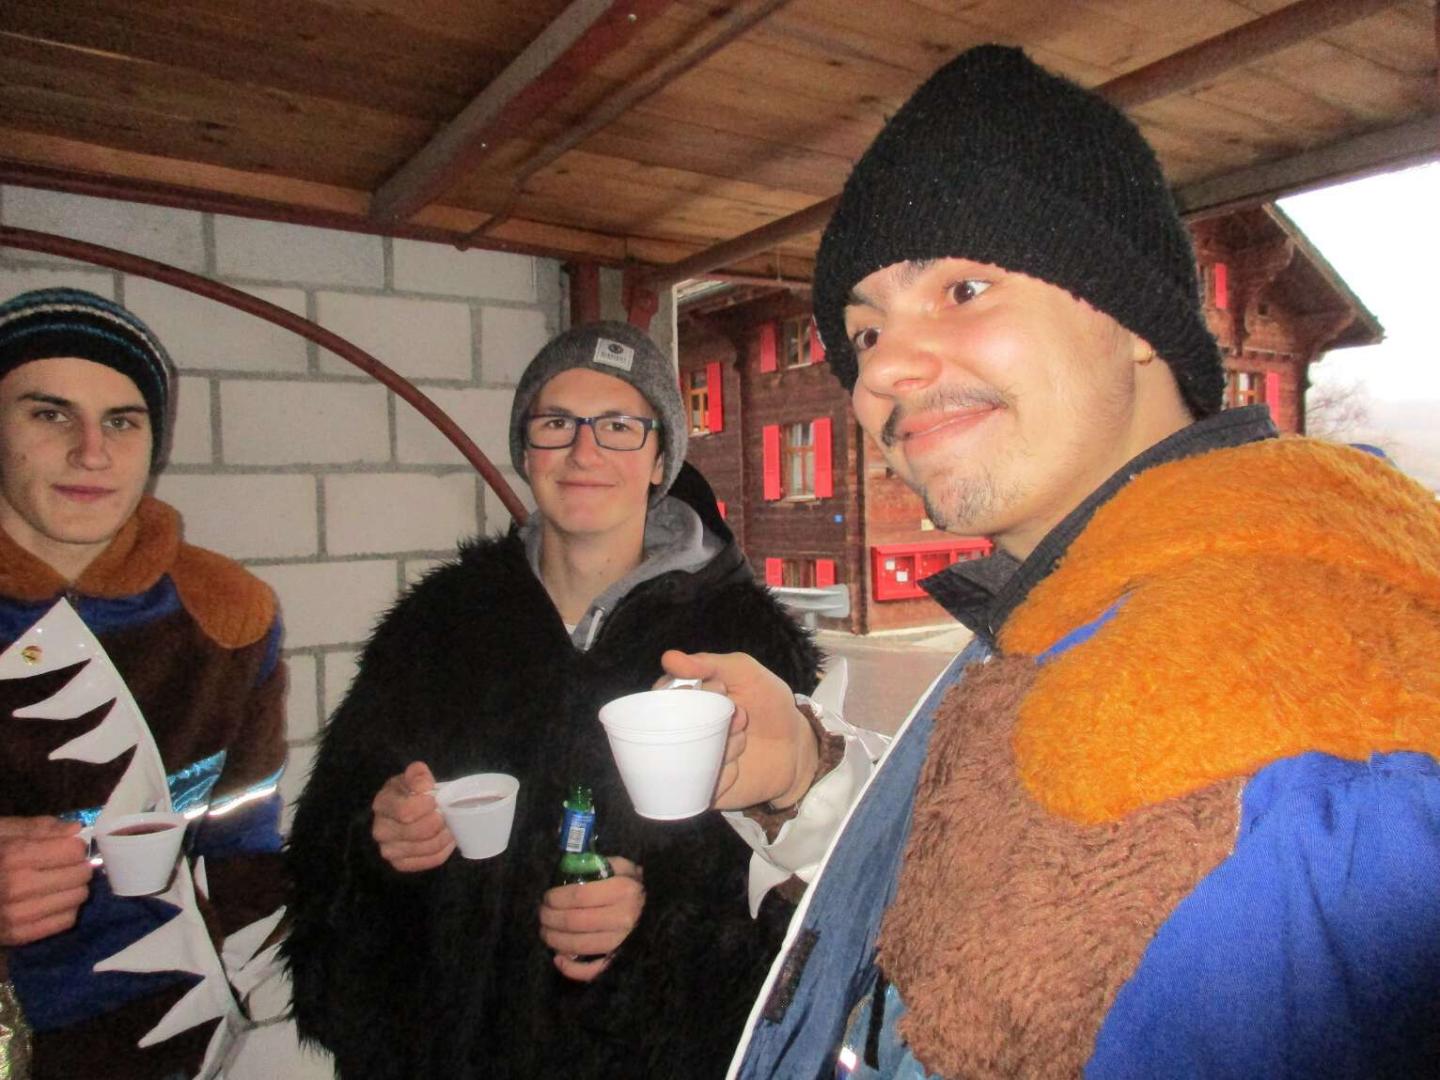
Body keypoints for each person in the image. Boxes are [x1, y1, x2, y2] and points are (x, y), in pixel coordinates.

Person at [661, 46, 1440, 1078]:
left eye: (963, 288)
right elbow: (988, 873)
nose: (882, 370)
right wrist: (809, 779)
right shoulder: (1085, 604)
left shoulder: (1281, 700)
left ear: (1137, 325)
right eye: (864, 330)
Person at [282, 322, 826, 1078]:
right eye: (557, 423)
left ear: (660, 459)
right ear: (526, 451)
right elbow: (323, 862)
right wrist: (382, 841)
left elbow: (800, 902)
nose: (584, 451)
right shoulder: (435, 630)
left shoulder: (748, 646)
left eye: (619, 426)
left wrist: (652, 923)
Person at [0, 288, 289, 1078]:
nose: (92, 452)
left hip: (183, 1037)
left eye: (122, 421)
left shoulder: (227, 612)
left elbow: (242, 844)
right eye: (50, 414)